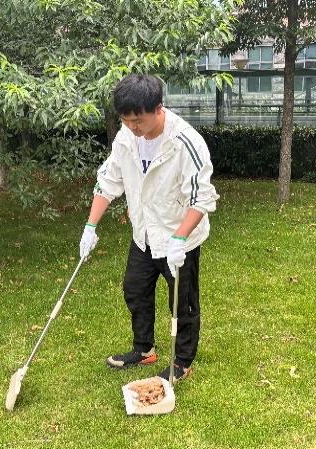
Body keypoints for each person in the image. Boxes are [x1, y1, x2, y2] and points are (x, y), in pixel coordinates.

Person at [79, 74, 218, 383]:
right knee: (135, 290)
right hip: (143, 235)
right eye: (126, 120)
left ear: (158, 109)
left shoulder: (186, 142)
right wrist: (90, 226)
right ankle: (144, 350)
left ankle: (182, 362)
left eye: (138, 120)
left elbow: (202, 198)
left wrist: (180, 238)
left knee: (182, 303)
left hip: (179, 240)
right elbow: (109, 180)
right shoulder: (126, 137)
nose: (133, 127)